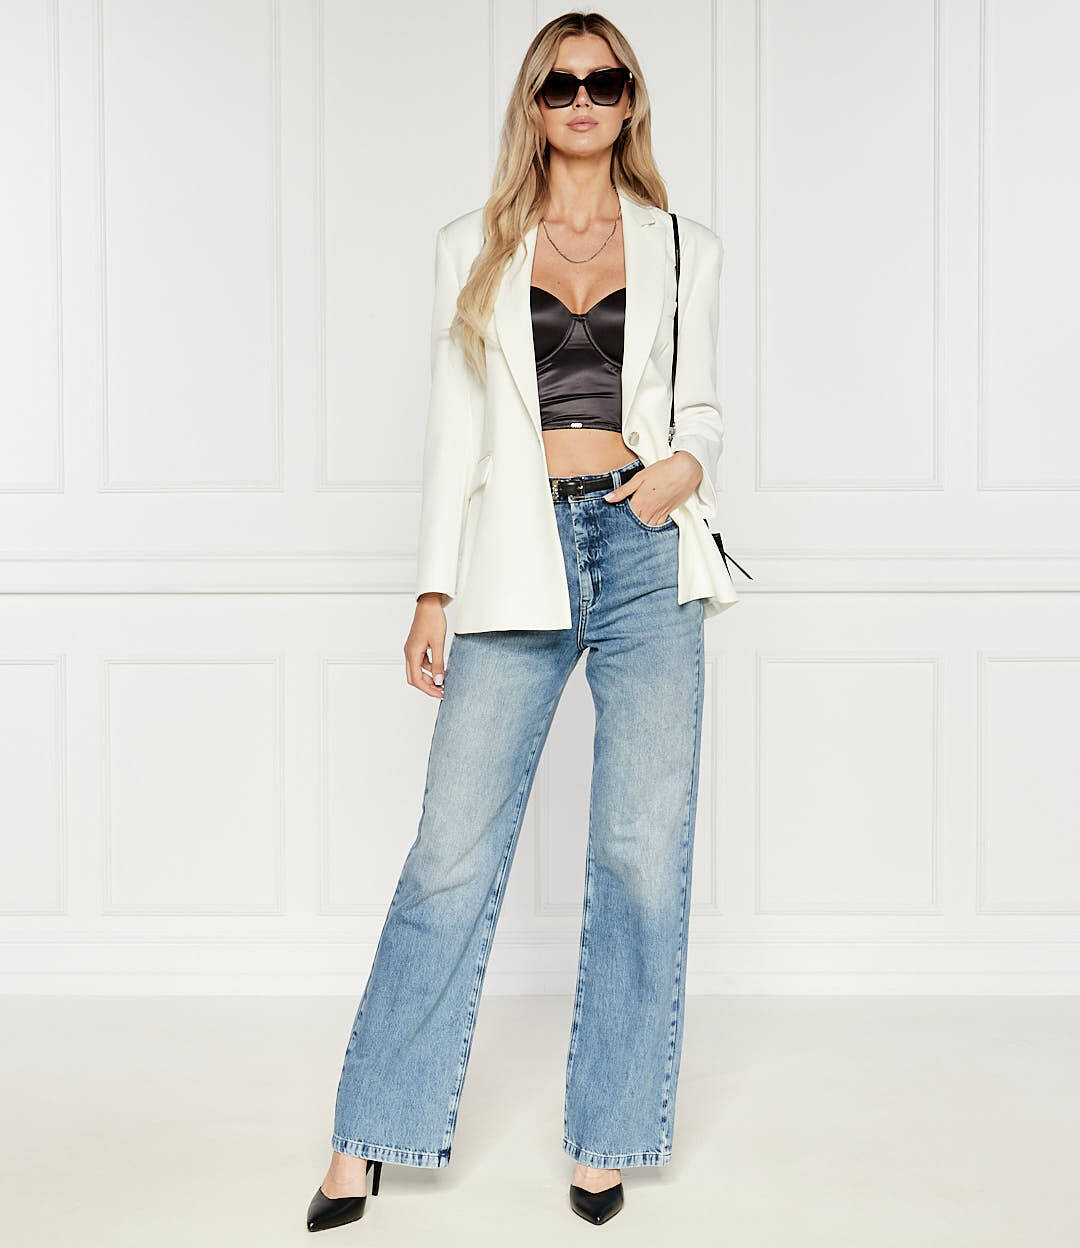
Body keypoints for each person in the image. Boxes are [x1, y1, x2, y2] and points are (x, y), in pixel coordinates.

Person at [306, 9, 738, 1233]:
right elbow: (454, 432)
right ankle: (367, 1136)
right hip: (515, 551)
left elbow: (702, 406)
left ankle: (608, 1136)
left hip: (646, 548)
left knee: (641, 854)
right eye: (560, 84)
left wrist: (683, 469)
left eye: (604, 81)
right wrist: (431, 588)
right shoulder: (473, 245)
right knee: (450, 850)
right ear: (534, 105)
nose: (583, 100)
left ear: (631, 100)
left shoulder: (684, 247)